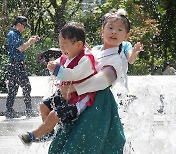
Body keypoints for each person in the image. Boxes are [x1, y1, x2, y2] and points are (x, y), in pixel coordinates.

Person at [48, 10, 133, 154]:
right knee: (68, 137)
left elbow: (102, 80)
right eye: (110, 28)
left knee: (86, 140)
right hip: (82, 100)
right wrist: (56, 65)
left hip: (99, 104)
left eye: (120, 30)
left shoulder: (116, 59)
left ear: (126, 36)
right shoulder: (94, 50)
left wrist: (75, 87)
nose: (114, 32)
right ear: (102, 30)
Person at [18, 22, 97, 144]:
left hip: (79, 99)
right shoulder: (68, 54)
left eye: (65, 45)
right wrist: (52, 64)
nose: (62, 49)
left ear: (79, 44)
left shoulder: (86, 59)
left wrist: (57, 69)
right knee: (43, 106)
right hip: (66, 93)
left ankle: (33, 135)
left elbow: (73, 75)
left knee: (54, 115)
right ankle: (48, 133)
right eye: (60, 45)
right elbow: (59, 62)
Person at [5, 16, 40, 118]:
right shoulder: (13, 34)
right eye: (24, 26)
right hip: (15, 65)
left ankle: (9, 111)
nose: (25, 29)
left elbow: (20, 50)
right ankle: (28, 111)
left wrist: (22, 62)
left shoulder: (15, 34)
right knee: (26, 86)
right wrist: (30, 42)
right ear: (19, 24)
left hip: (14, 64)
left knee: (13, 88)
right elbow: (21, 48)